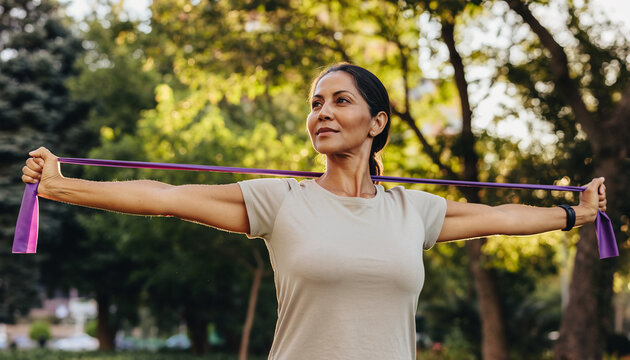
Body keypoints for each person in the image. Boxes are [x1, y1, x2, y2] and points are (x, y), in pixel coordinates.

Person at [22, 63, 606, 359]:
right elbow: (167, 198)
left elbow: (502, 216)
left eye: (340, 101)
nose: (321, 113)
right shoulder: (282, 200)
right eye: (315, 104)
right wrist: (63, 186)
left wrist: (574, 216)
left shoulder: (414, 212)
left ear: (377, 124)